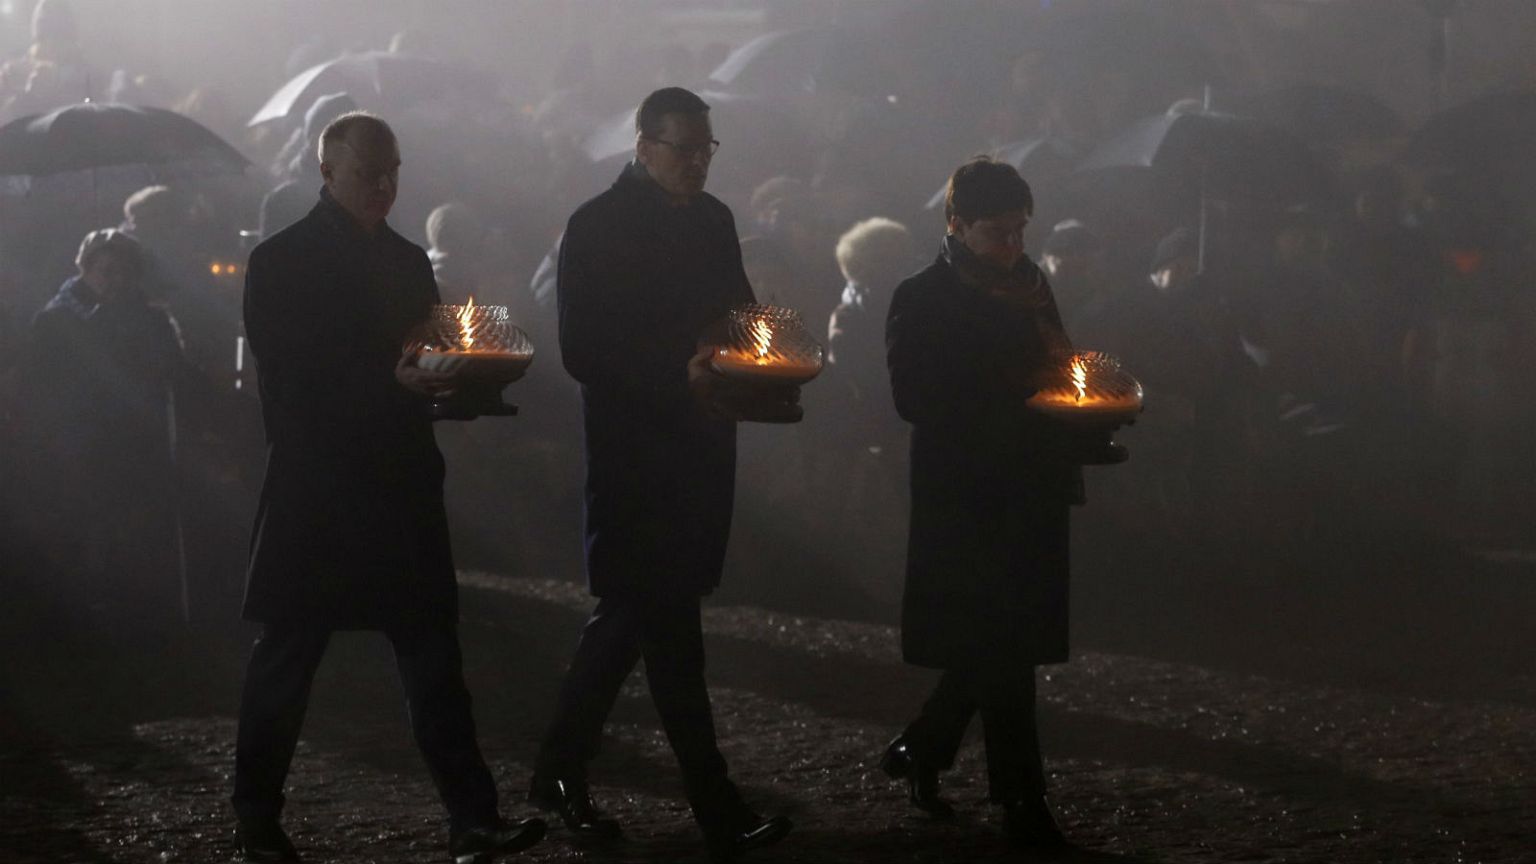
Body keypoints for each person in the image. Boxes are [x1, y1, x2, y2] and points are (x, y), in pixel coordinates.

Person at [231, 112, 544, 864]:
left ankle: (473, 819)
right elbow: (289, 386)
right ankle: (256, 823)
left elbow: (426, 358)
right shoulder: (281, 262)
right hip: (322, 486)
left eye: (391, 170)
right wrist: (396, 382)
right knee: (289, 659)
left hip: (394, 483)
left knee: (430, 658)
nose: (382, 185)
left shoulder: (404, 259)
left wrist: (461, 384)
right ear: (327, 171)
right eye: (368, 172)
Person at [530, 87, 792, 862]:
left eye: (708, 149)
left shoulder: (710, 220)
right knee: (665, 625)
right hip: (639, 449)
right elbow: (582, 348)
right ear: (644, 147)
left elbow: (738, 313)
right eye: (686, 149)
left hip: (699, 444)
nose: (700, 162)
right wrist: (682, 373)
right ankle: (713, 803)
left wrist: (756, 353)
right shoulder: (596, 226)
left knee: (635, 621)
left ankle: (559, 769)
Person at [881, 157, 1080, 852]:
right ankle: (1021, 801)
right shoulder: (922, 295)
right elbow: (914, 397)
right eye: (998, 231)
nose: (1013, 245)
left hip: (1027, 486)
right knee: (1006, 649)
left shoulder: (1029, 285)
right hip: (968, 495)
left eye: (1021, 230)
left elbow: (1060, 363)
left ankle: (926, 747)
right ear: (957, 225)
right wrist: (1021, 399)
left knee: (998, 646)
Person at [25, 228, 184, 619]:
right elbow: (39, 381)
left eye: (123, 272)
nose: (113, 281)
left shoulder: (150, 319)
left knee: (135, 520)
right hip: (78, 440)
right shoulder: (57, 320)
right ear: (85, 270)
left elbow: (173, 372)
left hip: (137, 439)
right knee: (89, 519)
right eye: (105, 271)